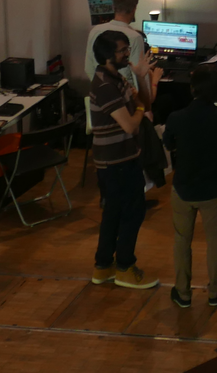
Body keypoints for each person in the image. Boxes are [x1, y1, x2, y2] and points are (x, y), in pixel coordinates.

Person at [88, 29, 162, 289]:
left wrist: (142, 78)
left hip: (122, 157)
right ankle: (125, 267)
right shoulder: (106, 86)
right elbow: (131, 124)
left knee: (113, 213)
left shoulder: (116, 78)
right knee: (132, 212)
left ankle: (103, 266)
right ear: (108, 55)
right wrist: (140, 108)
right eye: (123, 50)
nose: (127, 54)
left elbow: (146, 104)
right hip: (116, 162)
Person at [162, 69, 217, 309]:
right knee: (215, 241)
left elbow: (168, 143)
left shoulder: (176, 118)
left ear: (192, 88)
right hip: (212, 187)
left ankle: (183, 293)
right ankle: (215, 291)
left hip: (183, 187)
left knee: (182, 241)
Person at [83, 0, 148, 87]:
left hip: (100, 91)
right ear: (134, 9)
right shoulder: (135, 37)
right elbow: (139, 75)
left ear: (113, 7)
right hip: (126, 92)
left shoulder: (95, 31)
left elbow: (88, 68)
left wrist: (102, 87)